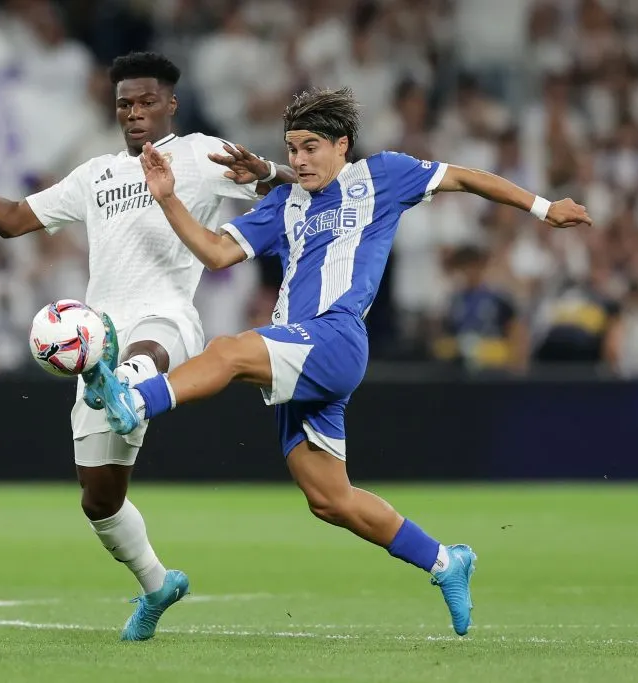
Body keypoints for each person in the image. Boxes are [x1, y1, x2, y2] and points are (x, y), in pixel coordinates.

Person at [92, 87, 592, 636]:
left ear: (341, 145)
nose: (299, 160)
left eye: (310, 148)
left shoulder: (384, 176)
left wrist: (545, 209)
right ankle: (447, 561)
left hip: (335, 338)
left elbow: (468, 177)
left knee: (229, 351)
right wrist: (167, 198)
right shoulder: (284, 204)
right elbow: (215, 254)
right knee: (330, 500)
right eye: (292, 149)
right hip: (299, 346)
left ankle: (135, 399)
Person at [0, 51, 293, 641]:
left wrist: (267, 174)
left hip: (167, 319)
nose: (134, 114)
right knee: (99, 500)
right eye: (124, 105)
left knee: (148, 346)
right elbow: (12, 220)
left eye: (145, 103)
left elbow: (290, 182)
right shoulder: (97, 175)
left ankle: (131, 384)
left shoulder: (199, 154)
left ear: (171, 104)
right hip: (97, 341)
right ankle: (158, 584)